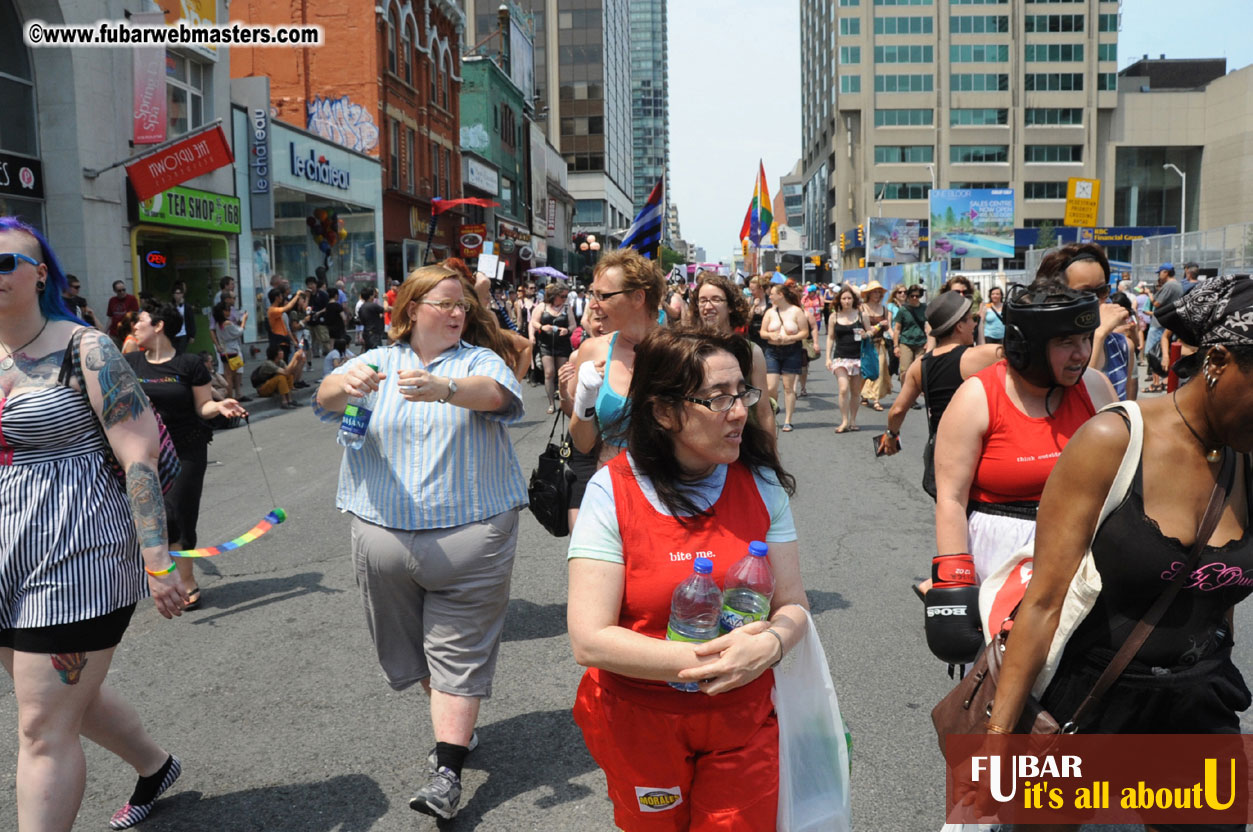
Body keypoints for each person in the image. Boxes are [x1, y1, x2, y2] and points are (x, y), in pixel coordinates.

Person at [988, 275, 1253, 769]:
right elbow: (1043, 602)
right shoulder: (1113, 440)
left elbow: (1218, 594)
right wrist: (998, 742)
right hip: (1094, 708)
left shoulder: (1245, 457)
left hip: (1200, 709)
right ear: (1217, 361)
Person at [567, 327, 810, 831]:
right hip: (640, 720)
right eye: (718, 398)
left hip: (742, 718)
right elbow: (590, 639)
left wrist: (770, 645)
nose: (739, 411)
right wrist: (712, 662)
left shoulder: (761, 483)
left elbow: (793, 604)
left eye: (741, 392)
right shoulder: (612, 491)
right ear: (663, 411)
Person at [314, 264, 527, 820]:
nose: (458, 313)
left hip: (471, 534)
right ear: (412, 310)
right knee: (414, 652)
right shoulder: (376, 361)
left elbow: (498, 395)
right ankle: (455, 722)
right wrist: (346, 385)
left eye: (463, 306)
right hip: (382, 533)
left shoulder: (477, 361)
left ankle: (447, 771)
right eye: (446, 303)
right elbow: (327, 395)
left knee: (457, 651)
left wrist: (445, 390)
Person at [0, 216, 187, 830]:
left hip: (77, 549)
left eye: (6, 262)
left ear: (40, 274)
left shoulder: (86, 348)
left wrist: (157, 559)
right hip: (6, 554)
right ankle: (155, 766)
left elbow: (139, 456)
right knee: (57, 695)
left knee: (41, 725)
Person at [931, 277, 1117, 591]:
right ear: (1026, 344)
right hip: (1001, 560)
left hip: (1086, 553)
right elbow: (950, 499)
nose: (1082, 353)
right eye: (1066, 342)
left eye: (1086, 339)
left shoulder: (1096, 387)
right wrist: (954, 585)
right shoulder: (976, 397)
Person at [127, 300, 248, 609]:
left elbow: (203, 406)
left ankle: (186, 581)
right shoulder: (130, 363)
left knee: (179, 514)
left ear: (159, 326)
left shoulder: (189, 364)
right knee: (149, 518)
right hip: (143, 453)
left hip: (185, 450)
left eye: (140, 321)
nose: (134, 326)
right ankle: (160, 578)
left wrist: (219, 405)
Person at [880, 291, 1003, 505]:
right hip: (980, 450)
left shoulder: (920, 365)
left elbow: (897, 410)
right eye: (971, 319)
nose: (974, 324)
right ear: (959, 326)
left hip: (942, 452)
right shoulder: (982, 356)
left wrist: (891, 435)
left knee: (950, 508)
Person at [569, 248, 666, 463]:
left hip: (665, 481)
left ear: (638, 297)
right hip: (611, 479)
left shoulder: (679, 353)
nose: (593, 305)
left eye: (603, 296)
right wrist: (585, 398)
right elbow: (583, 444)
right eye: (593, 295)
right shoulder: (592, 350)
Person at [1038, 243, 1136, 402]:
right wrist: (1098, 334)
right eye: (1085, 293)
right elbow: (1073, 401)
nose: (1095, 301)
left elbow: (1126, 406)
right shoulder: (1051, 348)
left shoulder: (1122, 346)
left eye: (1102, 291)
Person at [688, 271, 776, 435]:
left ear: (730, 306)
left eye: (716, 299)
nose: (708, 306)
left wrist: (770, 450)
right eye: (703, 300)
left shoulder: (751, 352)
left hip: (743, 439)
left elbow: (764, 411)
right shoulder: (688, 350)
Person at [759, 279, 810, 433]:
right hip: (772, 351)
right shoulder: (770, 312)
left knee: (788, 387)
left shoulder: (796, 311)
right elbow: (762, 332)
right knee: (771, 387)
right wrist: (770, 335)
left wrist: (790, 338)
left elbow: (805, 332)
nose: (770, 297)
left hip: (792, 350)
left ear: (781, 295)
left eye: (772, 294)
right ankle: (772, 413)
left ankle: (788, 420)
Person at [825, 285, 866, 433]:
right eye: (844, 298)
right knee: (843, 389)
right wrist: (828, 357)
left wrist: (865, 334)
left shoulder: (861, 315)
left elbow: (870, 332)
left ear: (853, 300)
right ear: (839, 300)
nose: (847, 301)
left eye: (849, 298)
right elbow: (830, 337)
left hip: (857, 358)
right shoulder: (834, 316)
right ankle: (844, 421)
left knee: (855, 391)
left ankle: (853, 420)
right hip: (840, 357)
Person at [529, 282, 574, 414]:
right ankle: (551, 403)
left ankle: (563, 401)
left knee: (562, 374)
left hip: (562, 344)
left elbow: (573, 325)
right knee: (549, 373)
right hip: (546, 344)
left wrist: (567, 330)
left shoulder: (567, 307)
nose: (565, 298)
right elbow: (533, 321)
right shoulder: (542, 306)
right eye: (562, 296)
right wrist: (542, 327)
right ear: (554, 295)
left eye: (566, 296)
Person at [1145, 263, 1181, 392]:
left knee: (1153, 354)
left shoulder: (1169, 285)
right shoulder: (1178, 285)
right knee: (1163, 353)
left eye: (1160, 272)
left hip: (1159, 324)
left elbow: (1156, 303)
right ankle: (1165, 381)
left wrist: (1149, 294)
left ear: (1166, 272)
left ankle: (1156, 384)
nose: (1159, 275)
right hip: (1167, 323)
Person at [858, 281, 892, 410]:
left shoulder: (884, 309)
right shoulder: (862, 308)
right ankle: (864, 394)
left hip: (880, 343)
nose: (877, 294)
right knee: (866, 370)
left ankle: (876, 399)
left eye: (879, 292)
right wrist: (878, 325)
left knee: (879, 371)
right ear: (868, 294)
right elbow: (864, 328)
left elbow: (888, 327)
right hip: (866, 344)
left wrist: (895, 340)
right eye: (874, 292)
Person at [211, 297, 249, 402]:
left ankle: (230, 397)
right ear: (223, 312)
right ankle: (231, 397)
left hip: (224, 351)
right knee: (232, 376)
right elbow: (239, 332)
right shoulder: (227, 323)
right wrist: (244, 320)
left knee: (227, 375)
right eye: (227, 310)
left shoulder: (218, 324)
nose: (229, 312)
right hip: (232, 351)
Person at [892, 284, 928, 385]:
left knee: (918, 370)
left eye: (917, 296)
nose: (914, 298)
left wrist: (929, 342)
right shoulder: (903, 310)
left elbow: (930, 326)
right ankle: (905, 391)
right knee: (905, 370)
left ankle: (915, 391)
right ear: (908, 296)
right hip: (906, 342)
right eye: (912, 296)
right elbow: (897, 329)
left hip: (921, 343)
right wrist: (896, 346)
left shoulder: (925, 308)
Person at [252, 344, 305, 409]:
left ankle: (290, 400)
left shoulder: (280, 362)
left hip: (272, 386)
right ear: (275, 354)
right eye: (280, 351)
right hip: (262, 389)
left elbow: (290, 372)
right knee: (281, 377)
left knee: (289, 376)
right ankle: (284, 402)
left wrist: (298, 361)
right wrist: (294, 358)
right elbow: (286, 372)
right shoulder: (268, 364)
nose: (282, 352)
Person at [169, 283, 196, 354]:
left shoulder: (187, 307)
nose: (178, 295)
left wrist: (192, 335)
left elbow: (191, 321)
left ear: (182, 294)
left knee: (181, 352)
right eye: (176, 293)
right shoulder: (170, 306)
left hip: (183, 333)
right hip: (173, 334)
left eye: (179, 293)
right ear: (173, 295)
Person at [746, 276, 770, 353]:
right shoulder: (749, 300)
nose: (751, 292)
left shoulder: (770, 301)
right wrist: (753, 306)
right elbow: (747, 319)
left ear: (761, 289)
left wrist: (763, 313)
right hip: (753, 337)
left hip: (767, 338)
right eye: (750, 289)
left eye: (753, 290)